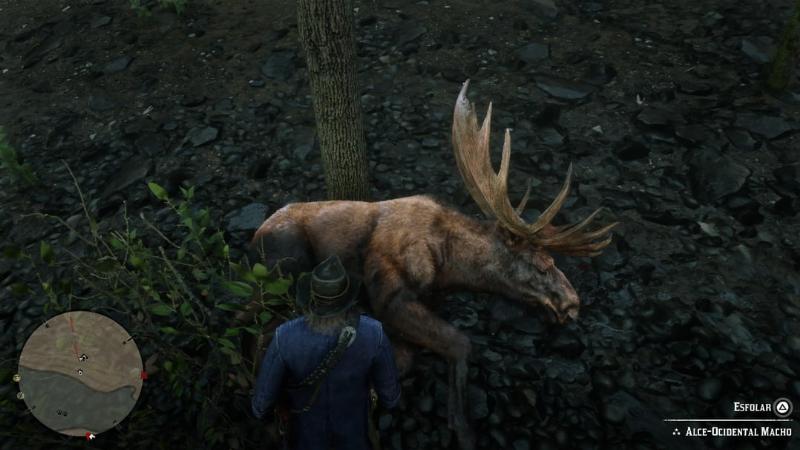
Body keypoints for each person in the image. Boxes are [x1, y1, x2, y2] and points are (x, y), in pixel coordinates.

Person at [251, 255, 401, 450]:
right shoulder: (374, 333)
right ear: (348, 298)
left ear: (311, 297)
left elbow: (261, 405)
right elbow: (390, 397)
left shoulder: (284, 336)